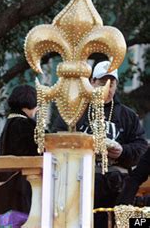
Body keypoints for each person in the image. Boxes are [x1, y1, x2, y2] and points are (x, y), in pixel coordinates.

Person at [52, 60, 147, 226]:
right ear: (92, 82)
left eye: (112, 84)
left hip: (117, 182)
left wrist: (122, 151)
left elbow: (141, 147)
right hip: (79, 181)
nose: (107, 89)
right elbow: (56, 141)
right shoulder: (74, 111)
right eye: (102, 83)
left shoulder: (127, 115)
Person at [0, 85, 39, 221]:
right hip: (22, 189)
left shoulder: (9, 124)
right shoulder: (28, 126)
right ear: (32, 104)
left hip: (3, 188)